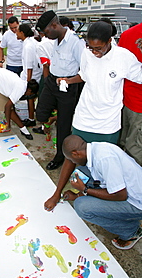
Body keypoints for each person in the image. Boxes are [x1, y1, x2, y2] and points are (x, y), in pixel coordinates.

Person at [45, 134, 142, 250]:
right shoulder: (95, 148)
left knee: (82, 207)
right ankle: (86, 197)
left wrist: (85, 190)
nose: (72, 162)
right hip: (126, 190)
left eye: (72, 159)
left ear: (76, 153)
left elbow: (120, 195)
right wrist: (78, 194)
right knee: (81, 172)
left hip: (135, 202)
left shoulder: (104, 159)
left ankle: (132, 231)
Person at [57, 21, 142, 146]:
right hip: (84, 118)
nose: (94, 52)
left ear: (109, 41)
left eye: (98, 48)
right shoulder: (87, 53)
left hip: (108, 123)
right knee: (77, 154)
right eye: (91, 47)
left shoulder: (124, 57)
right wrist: (68, 80)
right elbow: (84, 75)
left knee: (103, 160)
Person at [35, 10, 85, 170]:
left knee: (64, 124)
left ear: (54, 25)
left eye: (46, 32)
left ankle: (60, 156)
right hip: (52, 80)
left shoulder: (76, 42)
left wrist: (68, 81)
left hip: (67, 86)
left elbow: (85, 71)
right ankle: (49, 122)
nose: (45, 36)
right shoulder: (55, 38)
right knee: (40, 113)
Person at [118, 22, 142, 165]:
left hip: (125, 99)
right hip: (138, 104)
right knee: (136, 148)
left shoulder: (127, 34)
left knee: (124, 142)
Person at [16, 23, 42, 126]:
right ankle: (32, 116)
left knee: (30, 98)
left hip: (31, 76)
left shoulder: (28, 46)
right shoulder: (31, 42)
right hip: (35, 74)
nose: (16, 33)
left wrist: (28, 83)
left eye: (17, 31)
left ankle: (31, 119)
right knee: (31, 98)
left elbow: (29, 67)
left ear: (22, 33)